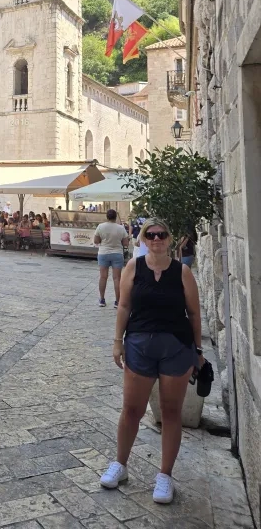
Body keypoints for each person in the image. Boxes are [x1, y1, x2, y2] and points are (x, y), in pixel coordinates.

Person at [100, 218, 205, 505]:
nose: (156, 239)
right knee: (131, 409)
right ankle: (120, 465)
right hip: (138, 345)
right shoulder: (134, 267)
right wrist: (117, 341)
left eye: (162, 234)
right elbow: (124, 305)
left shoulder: (182, 272)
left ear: (170, 239)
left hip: (176, 347)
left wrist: (197, 349)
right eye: (151, 234)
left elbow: (194, 314)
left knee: (171, 412)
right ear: (143, 239)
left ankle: (165, 476)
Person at [94, 209, 128, 308]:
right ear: (115, 217)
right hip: (117, 253)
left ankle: (102, 299)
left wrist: (103, 240)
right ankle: (117, 301)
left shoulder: (101, 226)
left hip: (103, 253)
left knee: (103, 277)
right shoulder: (120, 228)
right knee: (117, 278)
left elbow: (96, 241)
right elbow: (125, 243)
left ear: (107, 217)